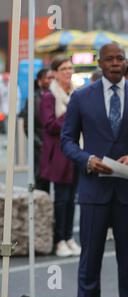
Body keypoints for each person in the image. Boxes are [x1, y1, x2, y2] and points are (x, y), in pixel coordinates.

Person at [61, 43, 128, 297]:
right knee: (89, 266)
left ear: (126, 62)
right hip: (94, 192)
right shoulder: (81, 97)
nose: (115, 63)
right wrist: (87, 159)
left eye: (120, 58)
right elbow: (67, 140)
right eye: (109, 59)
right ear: (100, 63)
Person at [39, 56, 79, 257]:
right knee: (61, 199)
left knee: (72, 198)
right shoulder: (49, 96)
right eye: (63, 68)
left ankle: (69, 236)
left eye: (70, 68)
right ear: (55, 72)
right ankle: (59, 240)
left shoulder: (74, 93)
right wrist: (71, 112)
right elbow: (50, 125)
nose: (68, 72)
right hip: (58, 154)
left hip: (75, 152)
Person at [19, 68, 54, 192]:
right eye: (48, 78)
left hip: (57, 148)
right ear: (40, 81)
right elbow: (28, 127)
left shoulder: (58, 96)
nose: (51, 81)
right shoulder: (33, 99)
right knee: (42, 184)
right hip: (41, 148)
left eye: (52, 78)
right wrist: (40, 144)